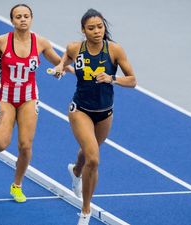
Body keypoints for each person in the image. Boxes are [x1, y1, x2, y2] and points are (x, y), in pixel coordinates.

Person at [0, 4, 73, 203]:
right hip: (6, 97)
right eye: (18, 17)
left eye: (26, 16)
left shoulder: (40, 42)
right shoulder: (2, 41)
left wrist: (63, 68)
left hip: (28, 98)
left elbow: (59, 62)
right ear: (12, 21)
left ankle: (17, 186)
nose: (23, 19)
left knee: (25, 145)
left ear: (31, 19)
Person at [53, 8, 136, 224]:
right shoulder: (75, 47)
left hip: (105, 112)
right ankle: (86, 211)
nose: (97, 31)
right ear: (83, 30)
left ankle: (76, 171)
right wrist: (62, 67)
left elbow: (133, 80)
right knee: (94, 158)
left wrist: (112, 78)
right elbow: (67, 57)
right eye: (91, 28)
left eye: (100, 27)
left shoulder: (115, 50)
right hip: (80, 109)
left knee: (87, 155)